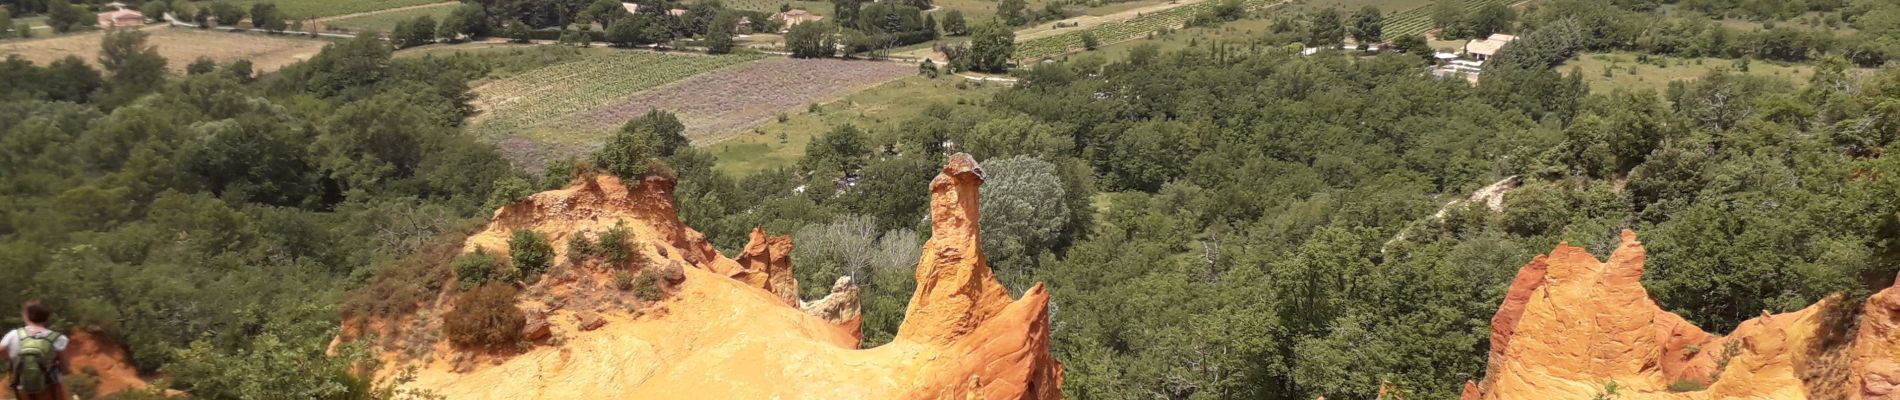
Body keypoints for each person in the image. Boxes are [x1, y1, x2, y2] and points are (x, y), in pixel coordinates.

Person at [3, 300, 67, 400]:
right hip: (49, 389)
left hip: (22, 389)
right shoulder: (58, 338)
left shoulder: (12, 335)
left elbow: (2, 354)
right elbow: (65, 368)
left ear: (26, 315)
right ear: (47, 317)